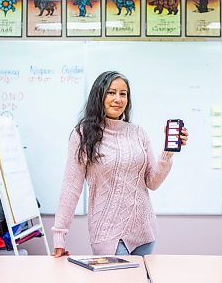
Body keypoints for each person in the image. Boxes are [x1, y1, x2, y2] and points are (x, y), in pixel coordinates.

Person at [52, 71, 188, 257]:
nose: (118, 99)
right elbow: (71, 187)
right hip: (109, 234)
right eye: (111, 92)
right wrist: (59, 235)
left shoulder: (138, 132)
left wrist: (168, 151)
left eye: (123, 94)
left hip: (144, 232)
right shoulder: (82, 134)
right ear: (99, 96)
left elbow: (152, 182)